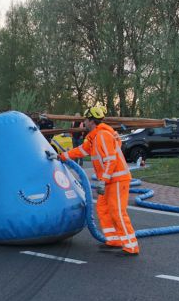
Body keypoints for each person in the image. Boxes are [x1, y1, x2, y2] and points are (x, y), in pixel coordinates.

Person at [59, 105, 139, 257]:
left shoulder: (103, 135)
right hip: (109, 180)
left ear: (91, 121)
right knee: (103, 208)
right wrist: (61, 156)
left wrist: (103, 180)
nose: (84, 122)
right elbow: (82, 150)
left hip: (117, 179)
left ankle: (131, 246)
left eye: (85, 120)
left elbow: (111, 160)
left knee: (117, 212)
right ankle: (114, 240)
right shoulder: (94, 137)